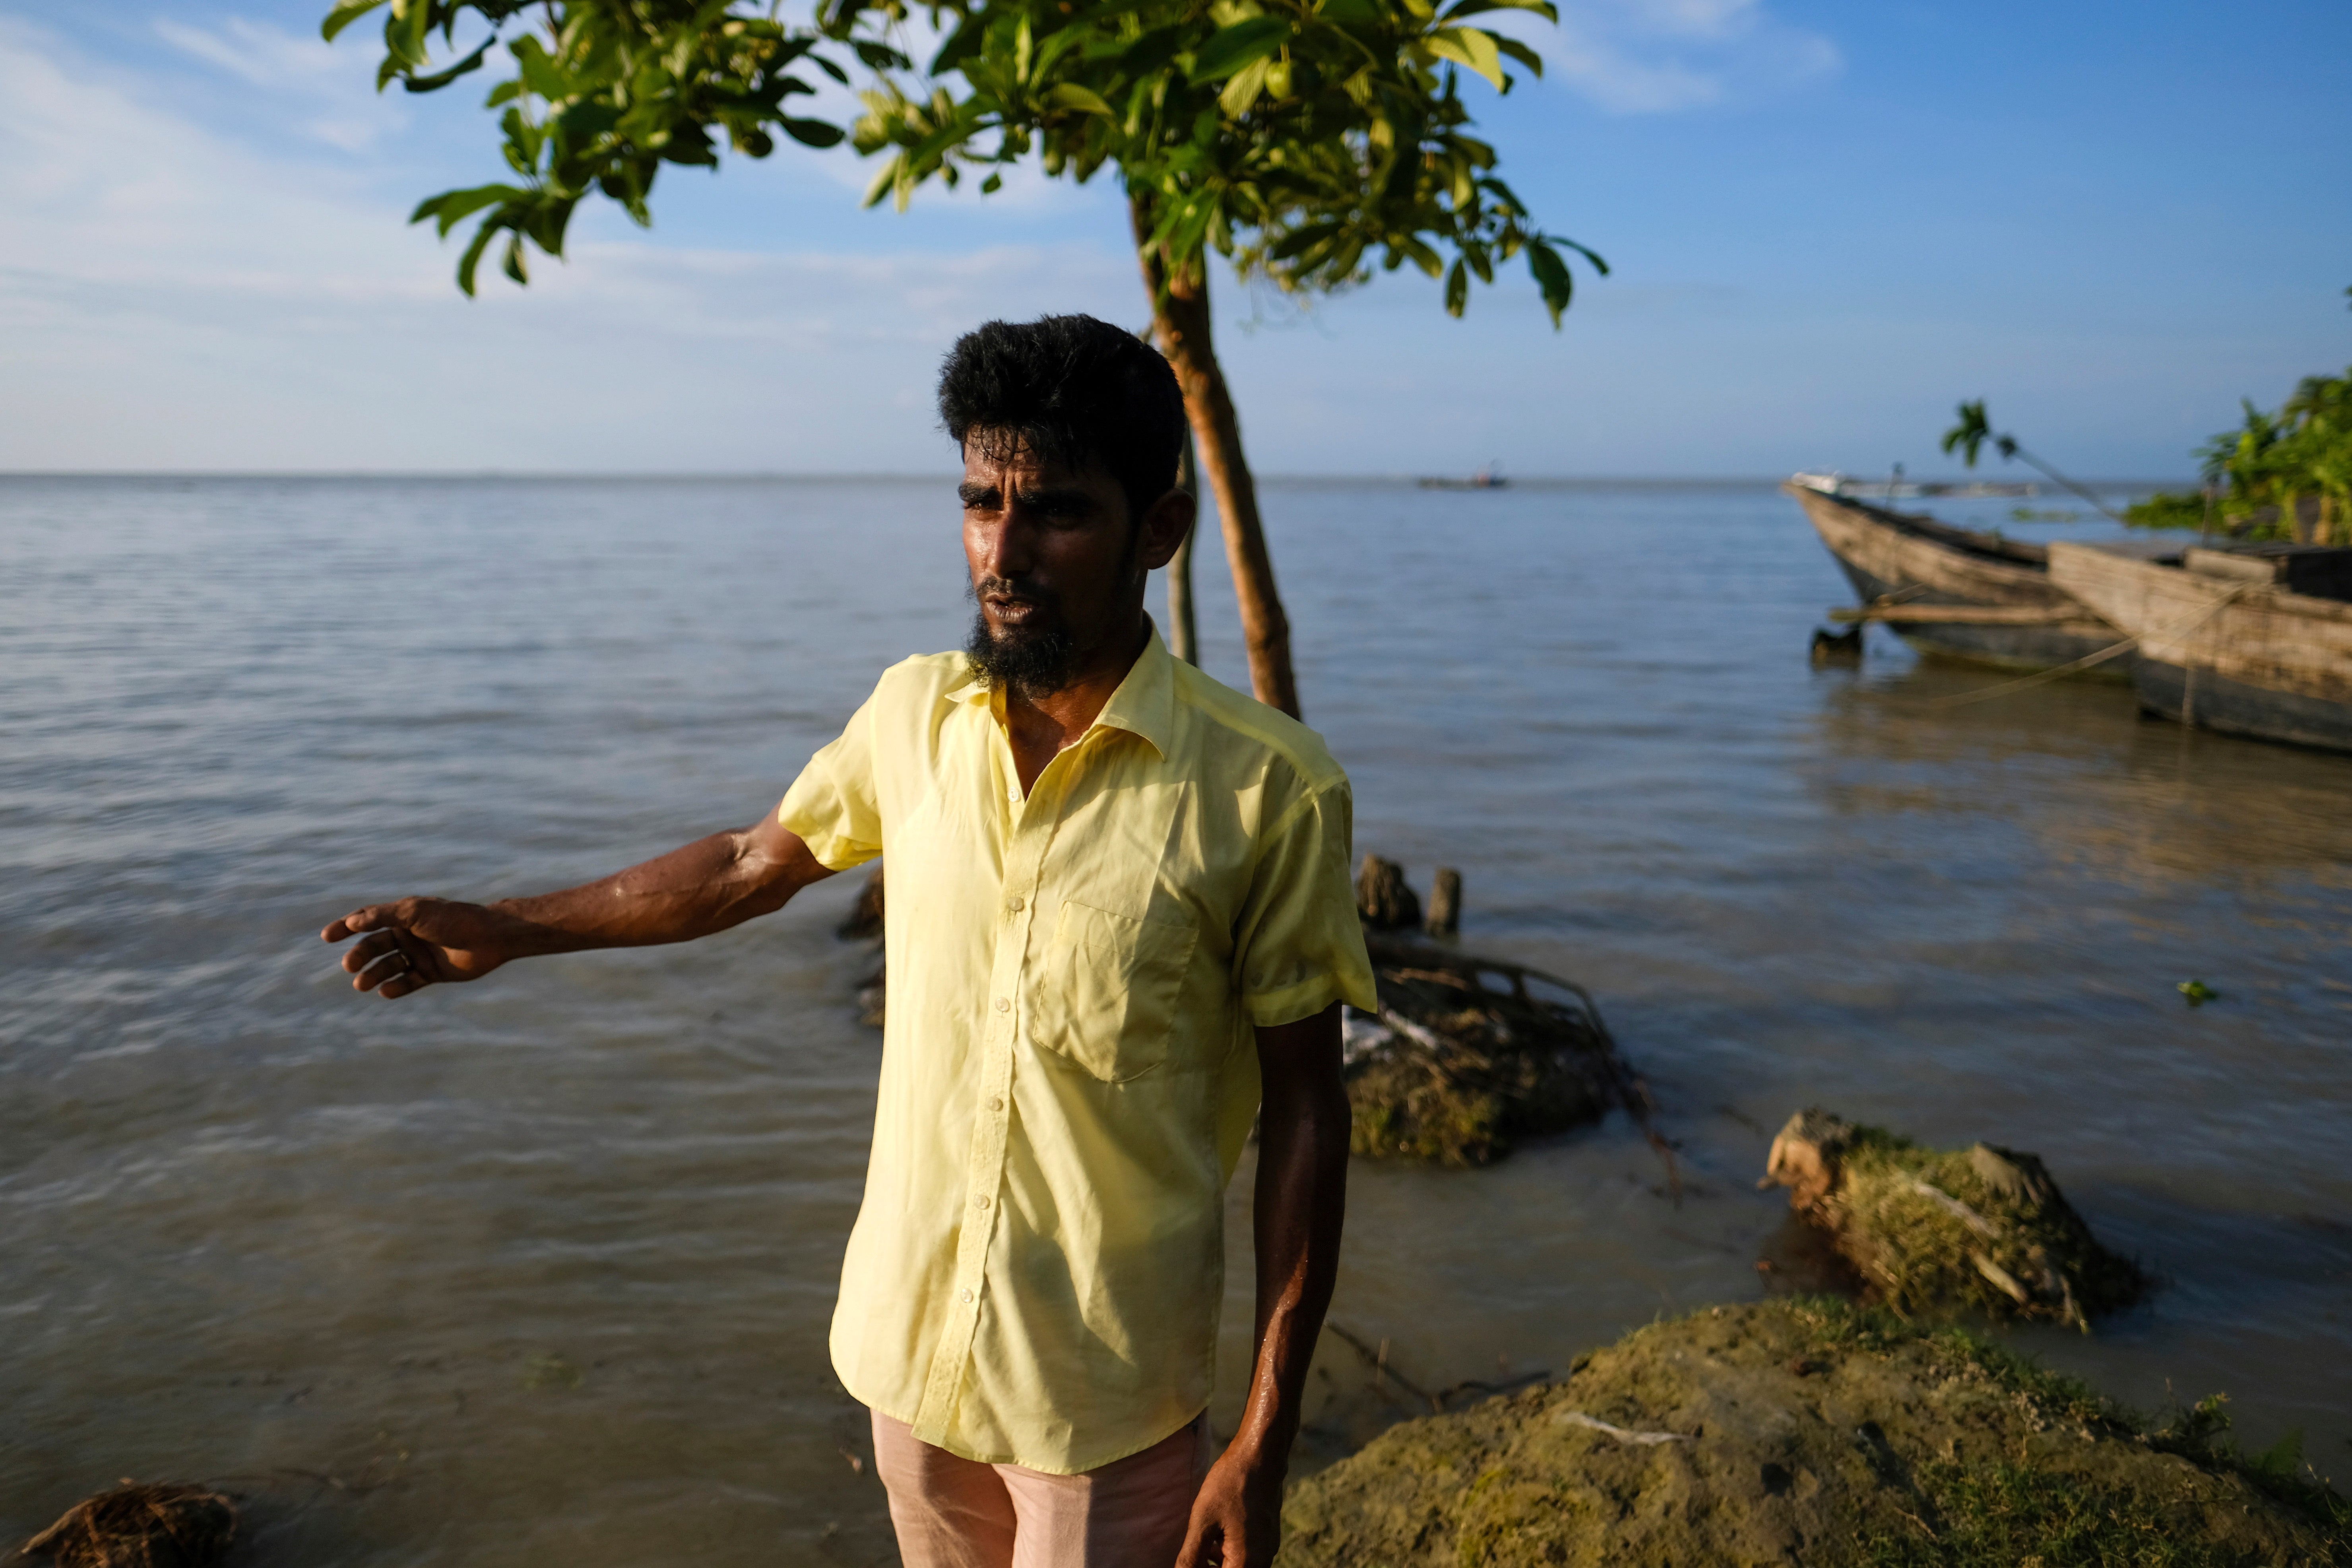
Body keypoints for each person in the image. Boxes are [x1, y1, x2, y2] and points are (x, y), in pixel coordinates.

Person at [320, 314, 1376, 1568]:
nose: (1005, 548)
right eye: (982, 500)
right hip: (905, 1360)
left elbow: (1309, 1108)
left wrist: (1264, 1432)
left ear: (1158, 529)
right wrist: (506, 928)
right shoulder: (916, 713)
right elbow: (743, 866)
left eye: (1057, 512)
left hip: (1106, 1401)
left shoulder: (1269, 789)